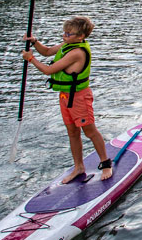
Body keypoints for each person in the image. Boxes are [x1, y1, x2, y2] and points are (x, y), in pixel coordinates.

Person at [22, 16, 112, 183]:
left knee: (89, 131)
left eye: (69, 34)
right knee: (72, 132)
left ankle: (105, 163)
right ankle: (78, 167)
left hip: (79, 97)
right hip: (65, 96)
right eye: (64, 33)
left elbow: (48, 70)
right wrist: (34, 41)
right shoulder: (68, 45)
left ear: (81, 37)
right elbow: (47, 51)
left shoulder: (77, 52)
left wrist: (31, 59)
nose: (65, 36)